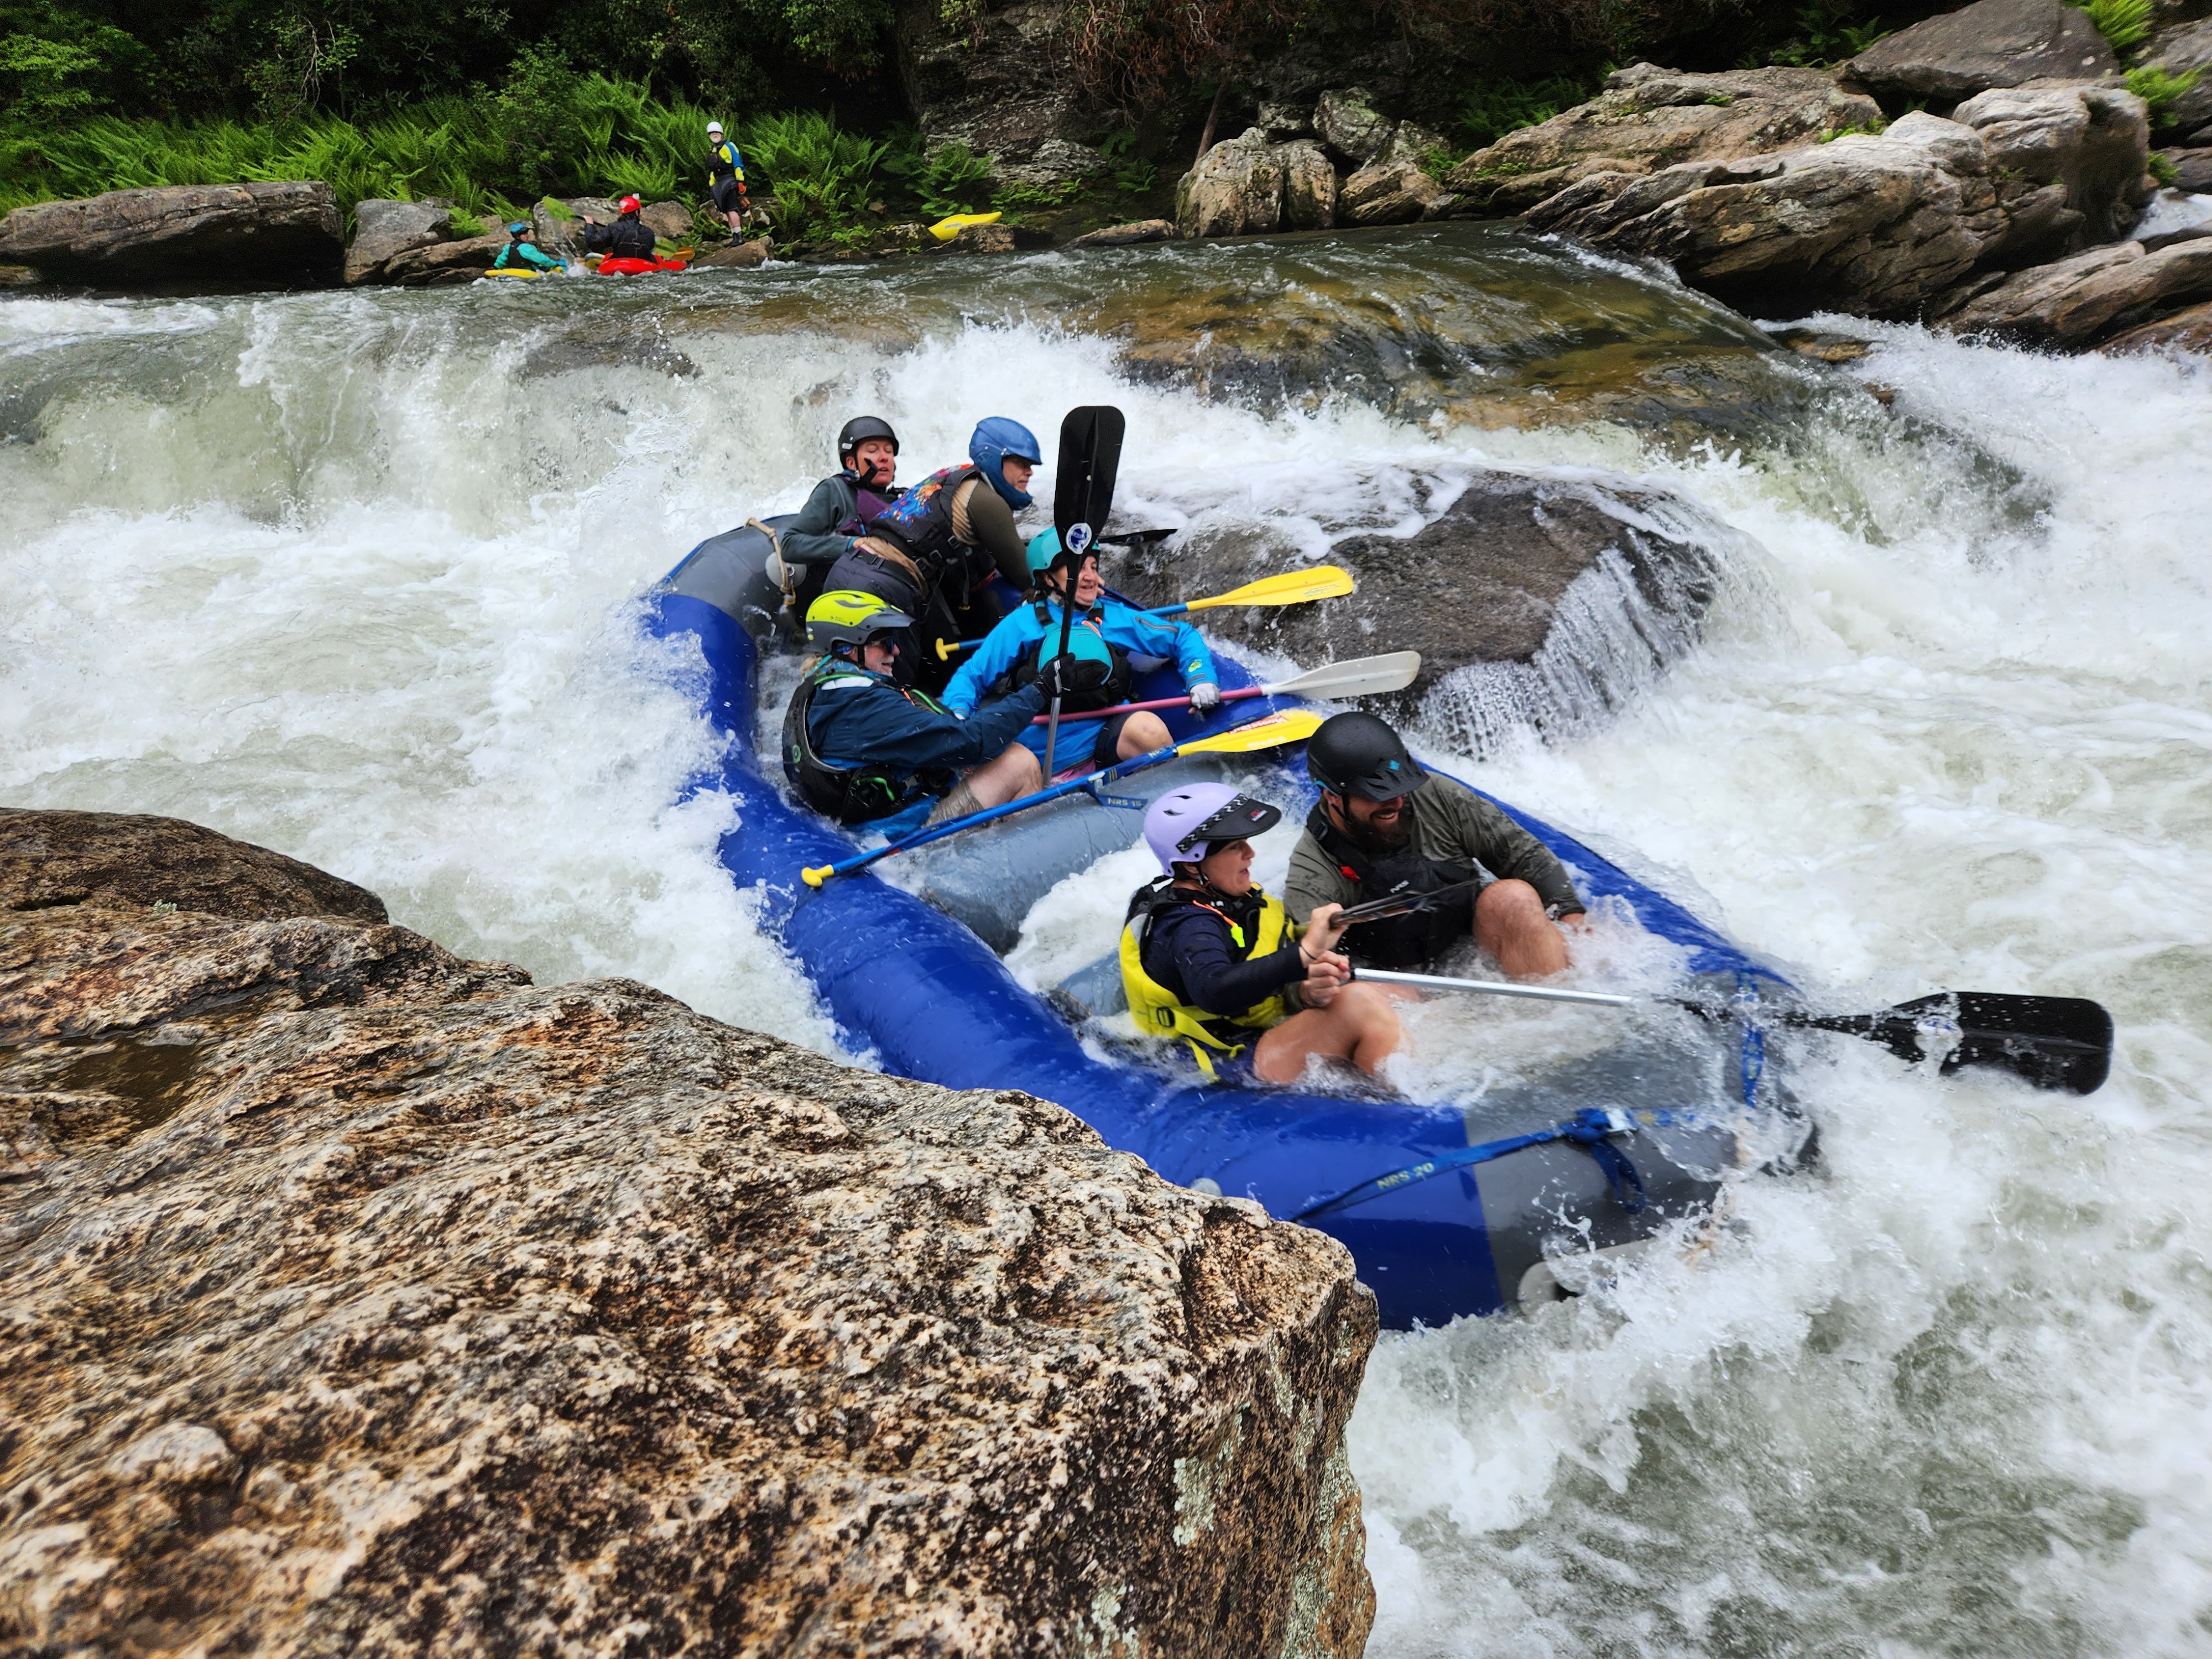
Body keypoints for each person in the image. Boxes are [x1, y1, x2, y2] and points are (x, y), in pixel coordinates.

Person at [1121, 784, 1404, 1083]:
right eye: (1235, 847)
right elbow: (1215, 990)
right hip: (1226, 1057)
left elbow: (1259, 966)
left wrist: (1305, 992)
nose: (1251, 853)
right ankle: (1394, 1100)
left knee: (1396, 991)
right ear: (1191, 866)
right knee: (1360, 1004)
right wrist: (1305, 953)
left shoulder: (1227, 900)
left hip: (1260, 1034)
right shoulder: (1186, 925)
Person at [1284, 712, 1585, 979]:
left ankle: (1563, 1009)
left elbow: (1523, 854)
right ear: (1332, 796)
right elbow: (1302, 968)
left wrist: (1573, 918)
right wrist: (1315, 986)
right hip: (1396, 980)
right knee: (1361, 997)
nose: (1396, 802)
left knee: (1513, 897)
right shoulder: (1313, 868)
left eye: (1401, 787)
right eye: (1379, 794)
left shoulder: (1438, 796)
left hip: (1475, 945)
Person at [941, 526, 1222, 776]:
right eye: (1078, 568)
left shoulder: (1112, 616)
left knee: (1149, 730)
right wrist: (958, 715)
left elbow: (1181, 637)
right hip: (1036, 751)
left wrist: (1200, 678)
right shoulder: (1022, 624)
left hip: (1104, 737)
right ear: (1048, 578)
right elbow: (972, 675)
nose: (1090, 578)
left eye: (1093, 567)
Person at [782, 589, 1053, 836]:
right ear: (847, 649)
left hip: (877, 822)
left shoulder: (825, 689)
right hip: (902, 839)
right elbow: (971, 743)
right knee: (1020, 763)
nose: (896, 651)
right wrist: (1039, 691)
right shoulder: (862, 707)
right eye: (884, 643)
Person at [822, 416, 1041, 685]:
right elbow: (1029, 576)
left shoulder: (953, 476)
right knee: (900, 686)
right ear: (994, 459)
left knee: (847, 680)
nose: (1029, 472)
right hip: (884, 587)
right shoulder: (988, 501)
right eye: (1020, 463)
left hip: (847, 570)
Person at [778, 416, 901, 572]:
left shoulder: (904, 501)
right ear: (851, 463)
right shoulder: (835, 491)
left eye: (889, 451)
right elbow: (790, 545)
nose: (885, 457)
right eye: (872, 450)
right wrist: (851, 544)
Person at [705, 121, 750, 234]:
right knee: (726, 211)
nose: (714, 134)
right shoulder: (714, 149)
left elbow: (738, 163)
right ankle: (734, 235)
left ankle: (739, 235)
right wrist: (712, 183)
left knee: (731, 209)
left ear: (721, 133)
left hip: (729, 180)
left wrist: (740, 180)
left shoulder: (729, 146)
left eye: (716, 132)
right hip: (719, 182)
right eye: (712, 133)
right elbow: (713, 170)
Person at [582, 195, 657, 262]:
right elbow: (651, 247)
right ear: (637, 212)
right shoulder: (649, 232)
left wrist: (590, 224)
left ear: (622, 213)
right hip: (644, 268)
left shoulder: (614, 228)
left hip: (619, 267)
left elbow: (594, 242)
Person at [492, 221, 561, 273]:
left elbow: (501, 261)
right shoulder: (526, 247)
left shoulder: (508, 247)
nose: (527, 236)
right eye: (524, 235)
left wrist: (496, 267)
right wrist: (555, 264)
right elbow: (541, 259)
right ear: (517, 236)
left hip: (515, 272)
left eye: (526, 233)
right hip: (529, 272)